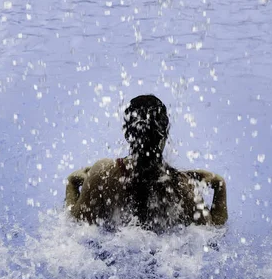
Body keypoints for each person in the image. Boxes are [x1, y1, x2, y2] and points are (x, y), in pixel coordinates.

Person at [65, 94, 227, 232]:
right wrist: (219, 185)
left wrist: (72, 184)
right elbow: (212, 232)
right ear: (165, 134)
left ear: (127, 134)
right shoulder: (183, 188)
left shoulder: (103, 174)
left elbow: (76, 225)